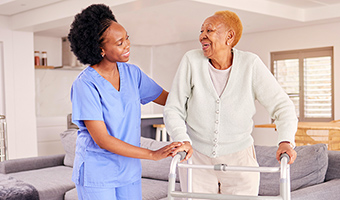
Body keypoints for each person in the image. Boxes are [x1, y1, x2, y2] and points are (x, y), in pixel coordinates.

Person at [164, 10, 298, 197]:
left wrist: (285, 141)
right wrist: (182, 139)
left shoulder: (250, 64)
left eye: (209, 30)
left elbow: (283, 106)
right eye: (201, 31)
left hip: (240, 158)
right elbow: (174, 108)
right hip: (196, 156)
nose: (202, 36)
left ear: (229, 36)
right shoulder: (191, 61)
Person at [68, 4, 182, 200]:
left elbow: (167, 99)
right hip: (98, 172)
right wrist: (153, 154)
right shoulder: (85, 84)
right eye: (120, 43)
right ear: (100, 49)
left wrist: (201, 102)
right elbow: (102, 140)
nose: (127, 45)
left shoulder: (133, 74)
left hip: (129, 169)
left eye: (127, 38)